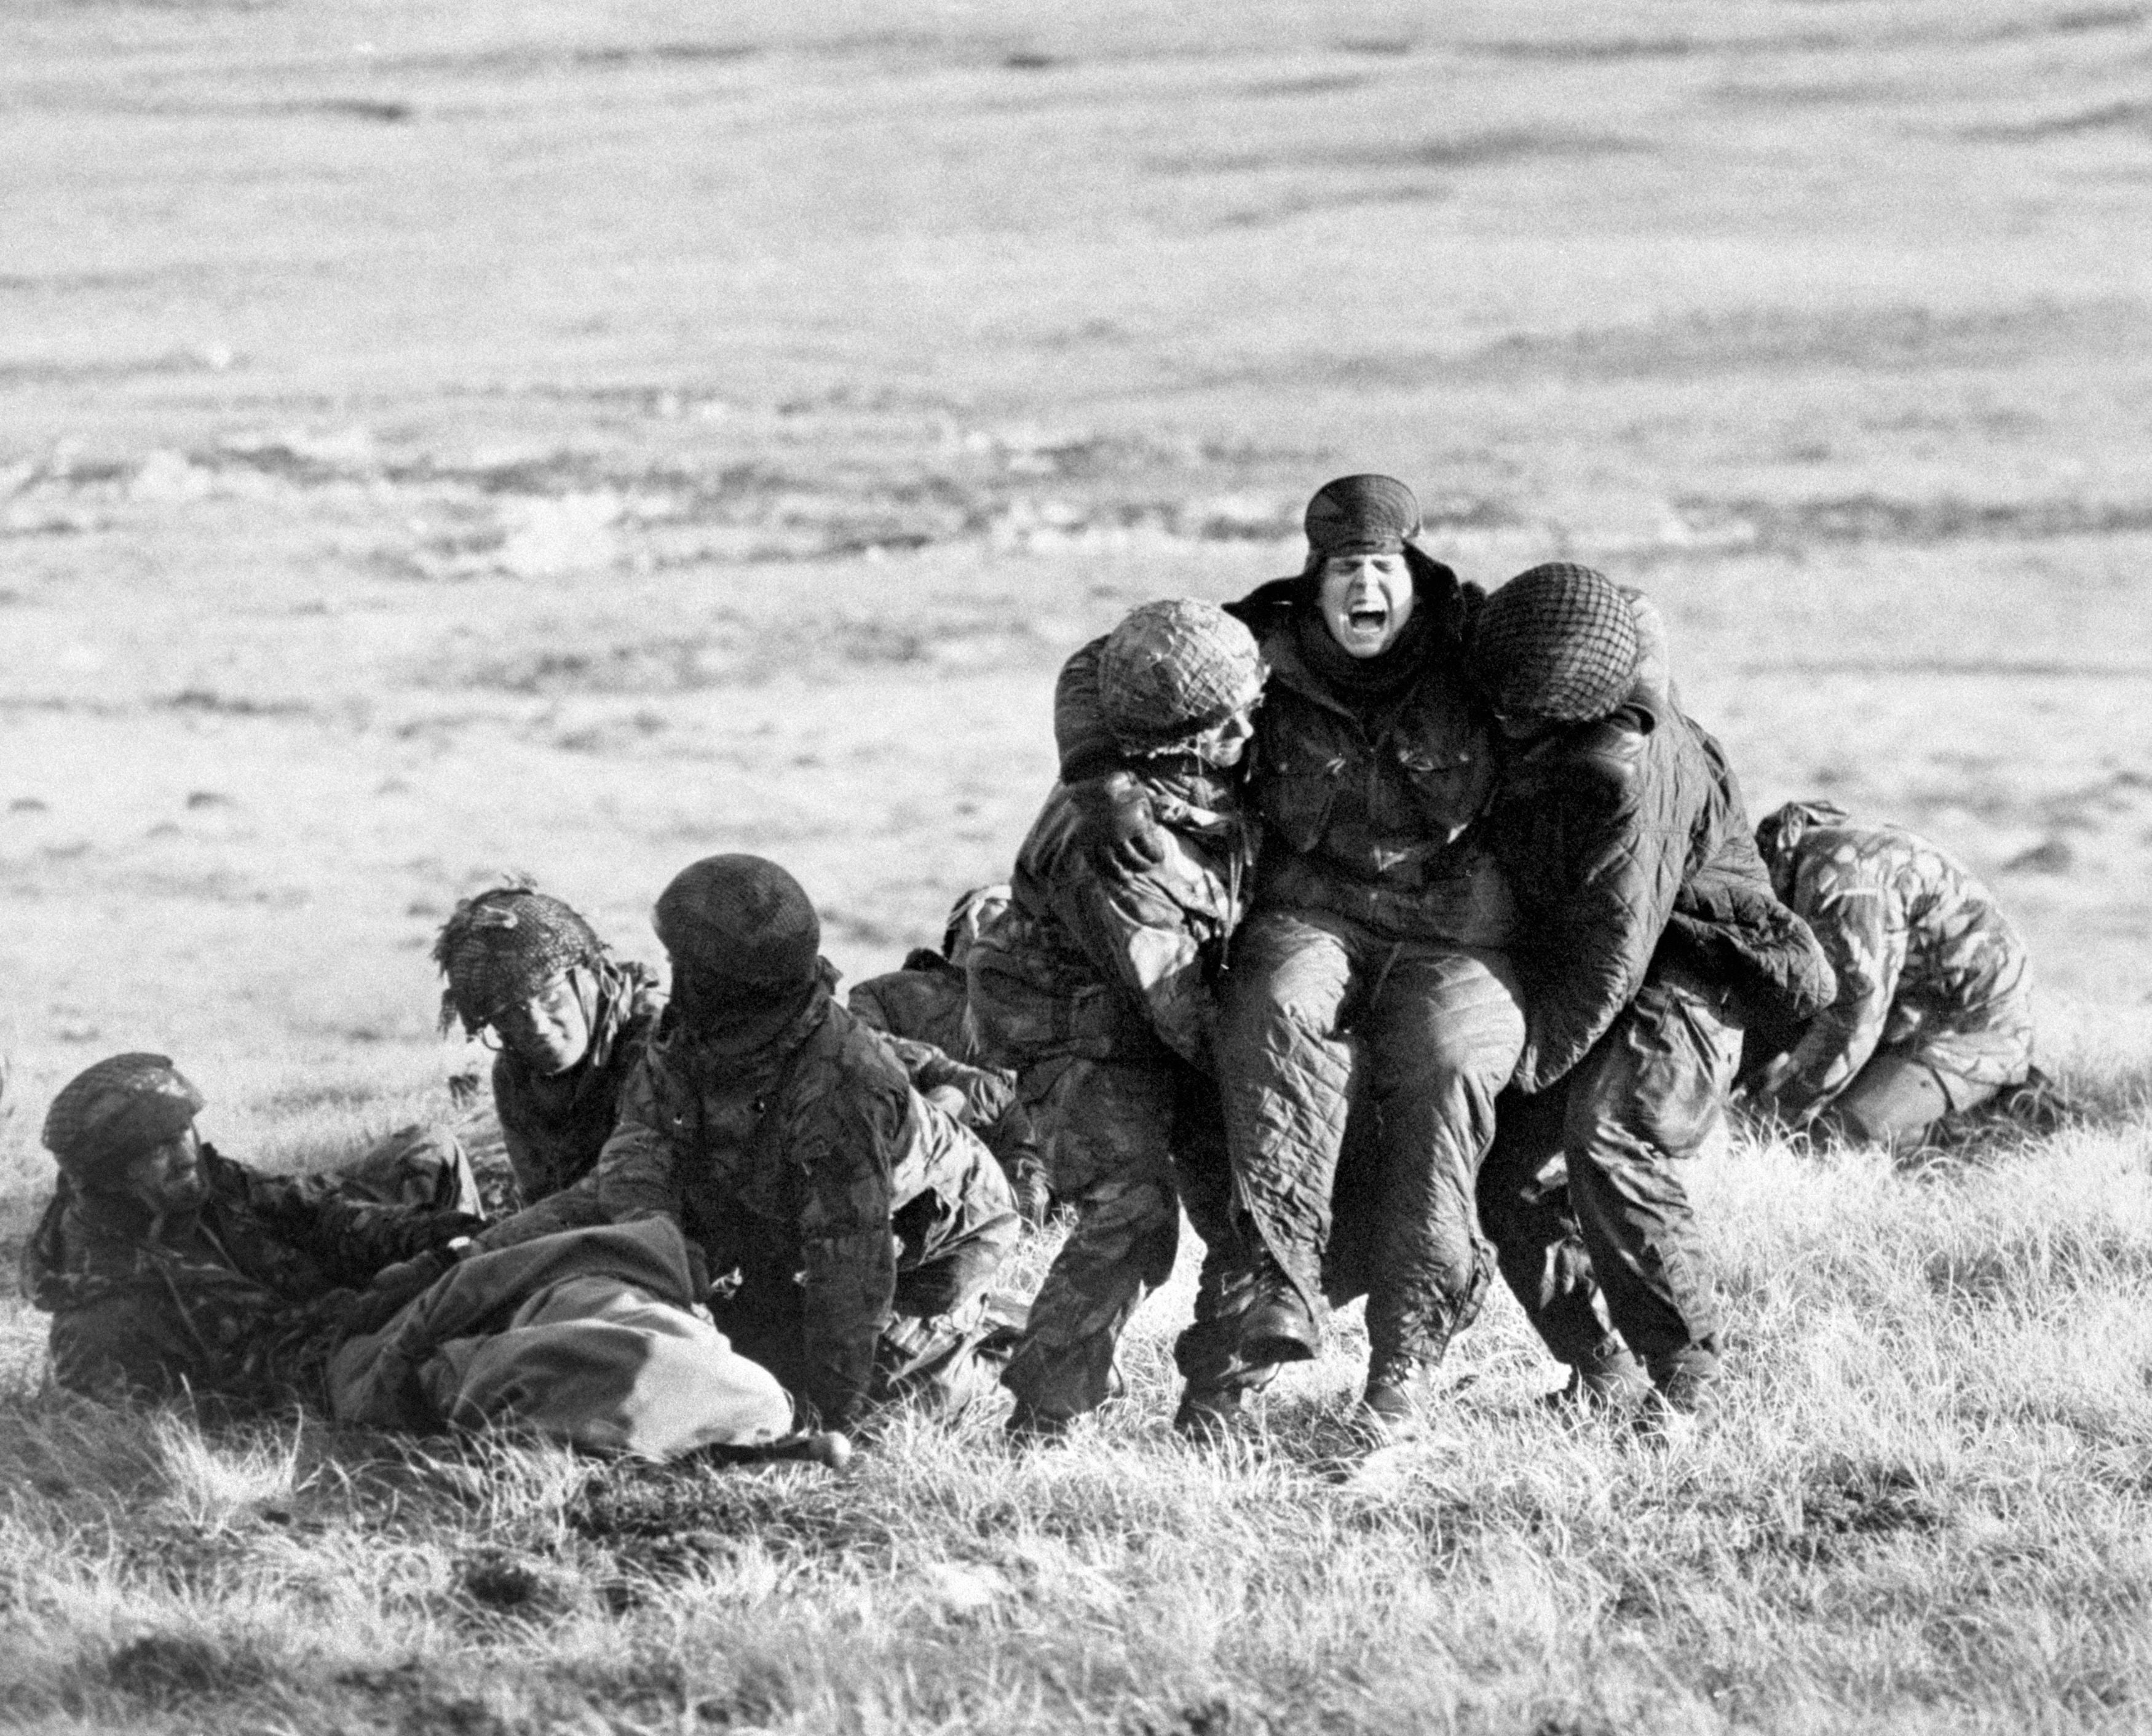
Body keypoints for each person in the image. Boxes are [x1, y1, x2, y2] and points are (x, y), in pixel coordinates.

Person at [1057, 476, 1524, 1437]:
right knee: (1270, 1015)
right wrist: (1095, 774)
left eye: (1383, 568)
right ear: (1314, 579)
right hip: (1314, 912)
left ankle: (1405, 1363)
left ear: (1415, 574)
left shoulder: (1480, 643)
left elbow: (1604, 669)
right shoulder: (1258, 637)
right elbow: (1100, 667)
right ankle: (1279, 1289)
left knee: (1446, 1072)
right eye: (1346, 569)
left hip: (1456, 931)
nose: (1366, 589)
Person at [1467, 564, 1837, 1419]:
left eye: (1522, 715)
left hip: (1700, 975)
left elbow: (1613, 952)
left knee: (1612, 1131)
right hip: (1598, 973)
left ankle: (1689, 1377)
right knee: (1501, 1168)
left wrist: (1519, 1070)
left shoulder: (1631, 775)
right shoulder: (1547, 698)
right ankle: (1599, 1369)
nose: (1504, 724)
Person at [968, 599, 1264, 1438]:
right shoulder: (1113, 848)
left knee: (1257, 1203)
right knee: (1131, 1213)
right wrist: (1276, 1077)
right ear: (1165, 742)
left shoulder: (1203, 735)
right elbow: (1173, 998)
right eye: (1221, 725)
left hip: (1179, 1009)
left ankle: (1221, 1409)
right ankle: (1045, 1414)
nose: (1249, 731)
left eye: (1251, 706)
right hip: (1077, 1029)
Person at [595, 854, 1021, 1433]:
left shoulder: (841, 1087)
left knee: (873, 1404)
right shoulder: (690, 1035)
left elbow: (851, 1274)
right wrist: (657, 1248)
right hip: (791, 1213)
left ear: (724, 983)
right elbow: (638, 1148)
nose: (673, 975)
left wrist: (827, 1422)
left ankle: (991, 1354)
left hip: (937, 1244)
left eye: (683, 964)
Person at [20, 1053, 483, 1406]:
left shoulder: (209, 1181)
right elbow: (274, 1373)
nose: (183, 1154)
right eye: (155, 1149)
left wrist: (447, 1234)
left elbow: (321, 1214)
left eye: (182, 1131)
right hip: (333, 1353)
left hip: (349, 1300)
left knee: (428, 1148)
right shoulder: (102, 1312)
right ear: (111, 1177)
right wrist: (409, 1285)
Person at [1749, 800, 2036, 1146]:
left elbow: (1852, 1024)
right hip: (1905, 1014)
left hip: (1967, 1033)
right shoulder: (1803, 858)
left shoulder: (1839, 882)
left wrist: (1765, 1121)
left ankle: (1979, 1121)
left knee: (1832, 1138)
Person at [433, 882, 663, 1211]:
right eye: (510, 1015)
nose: (538, 1026)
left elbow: (629, 1192)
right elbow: (539, 1196)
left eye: (551, 997)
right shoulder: (516, 1076)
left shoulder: (659, 1046)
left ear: (590, 977)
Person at [848, 887, 1050, 1224]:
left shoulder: (1034, 1015)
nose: (1020, 925)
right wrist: (943, 1072)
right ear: (968, 918)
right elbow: (858, 1050)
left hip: (987, 1180)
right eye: (1005, 907)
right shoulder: (885, 992)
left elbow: (1042, 1116)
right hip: (902, 1141)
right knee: (949, 1098)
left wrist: (1032, 1193)